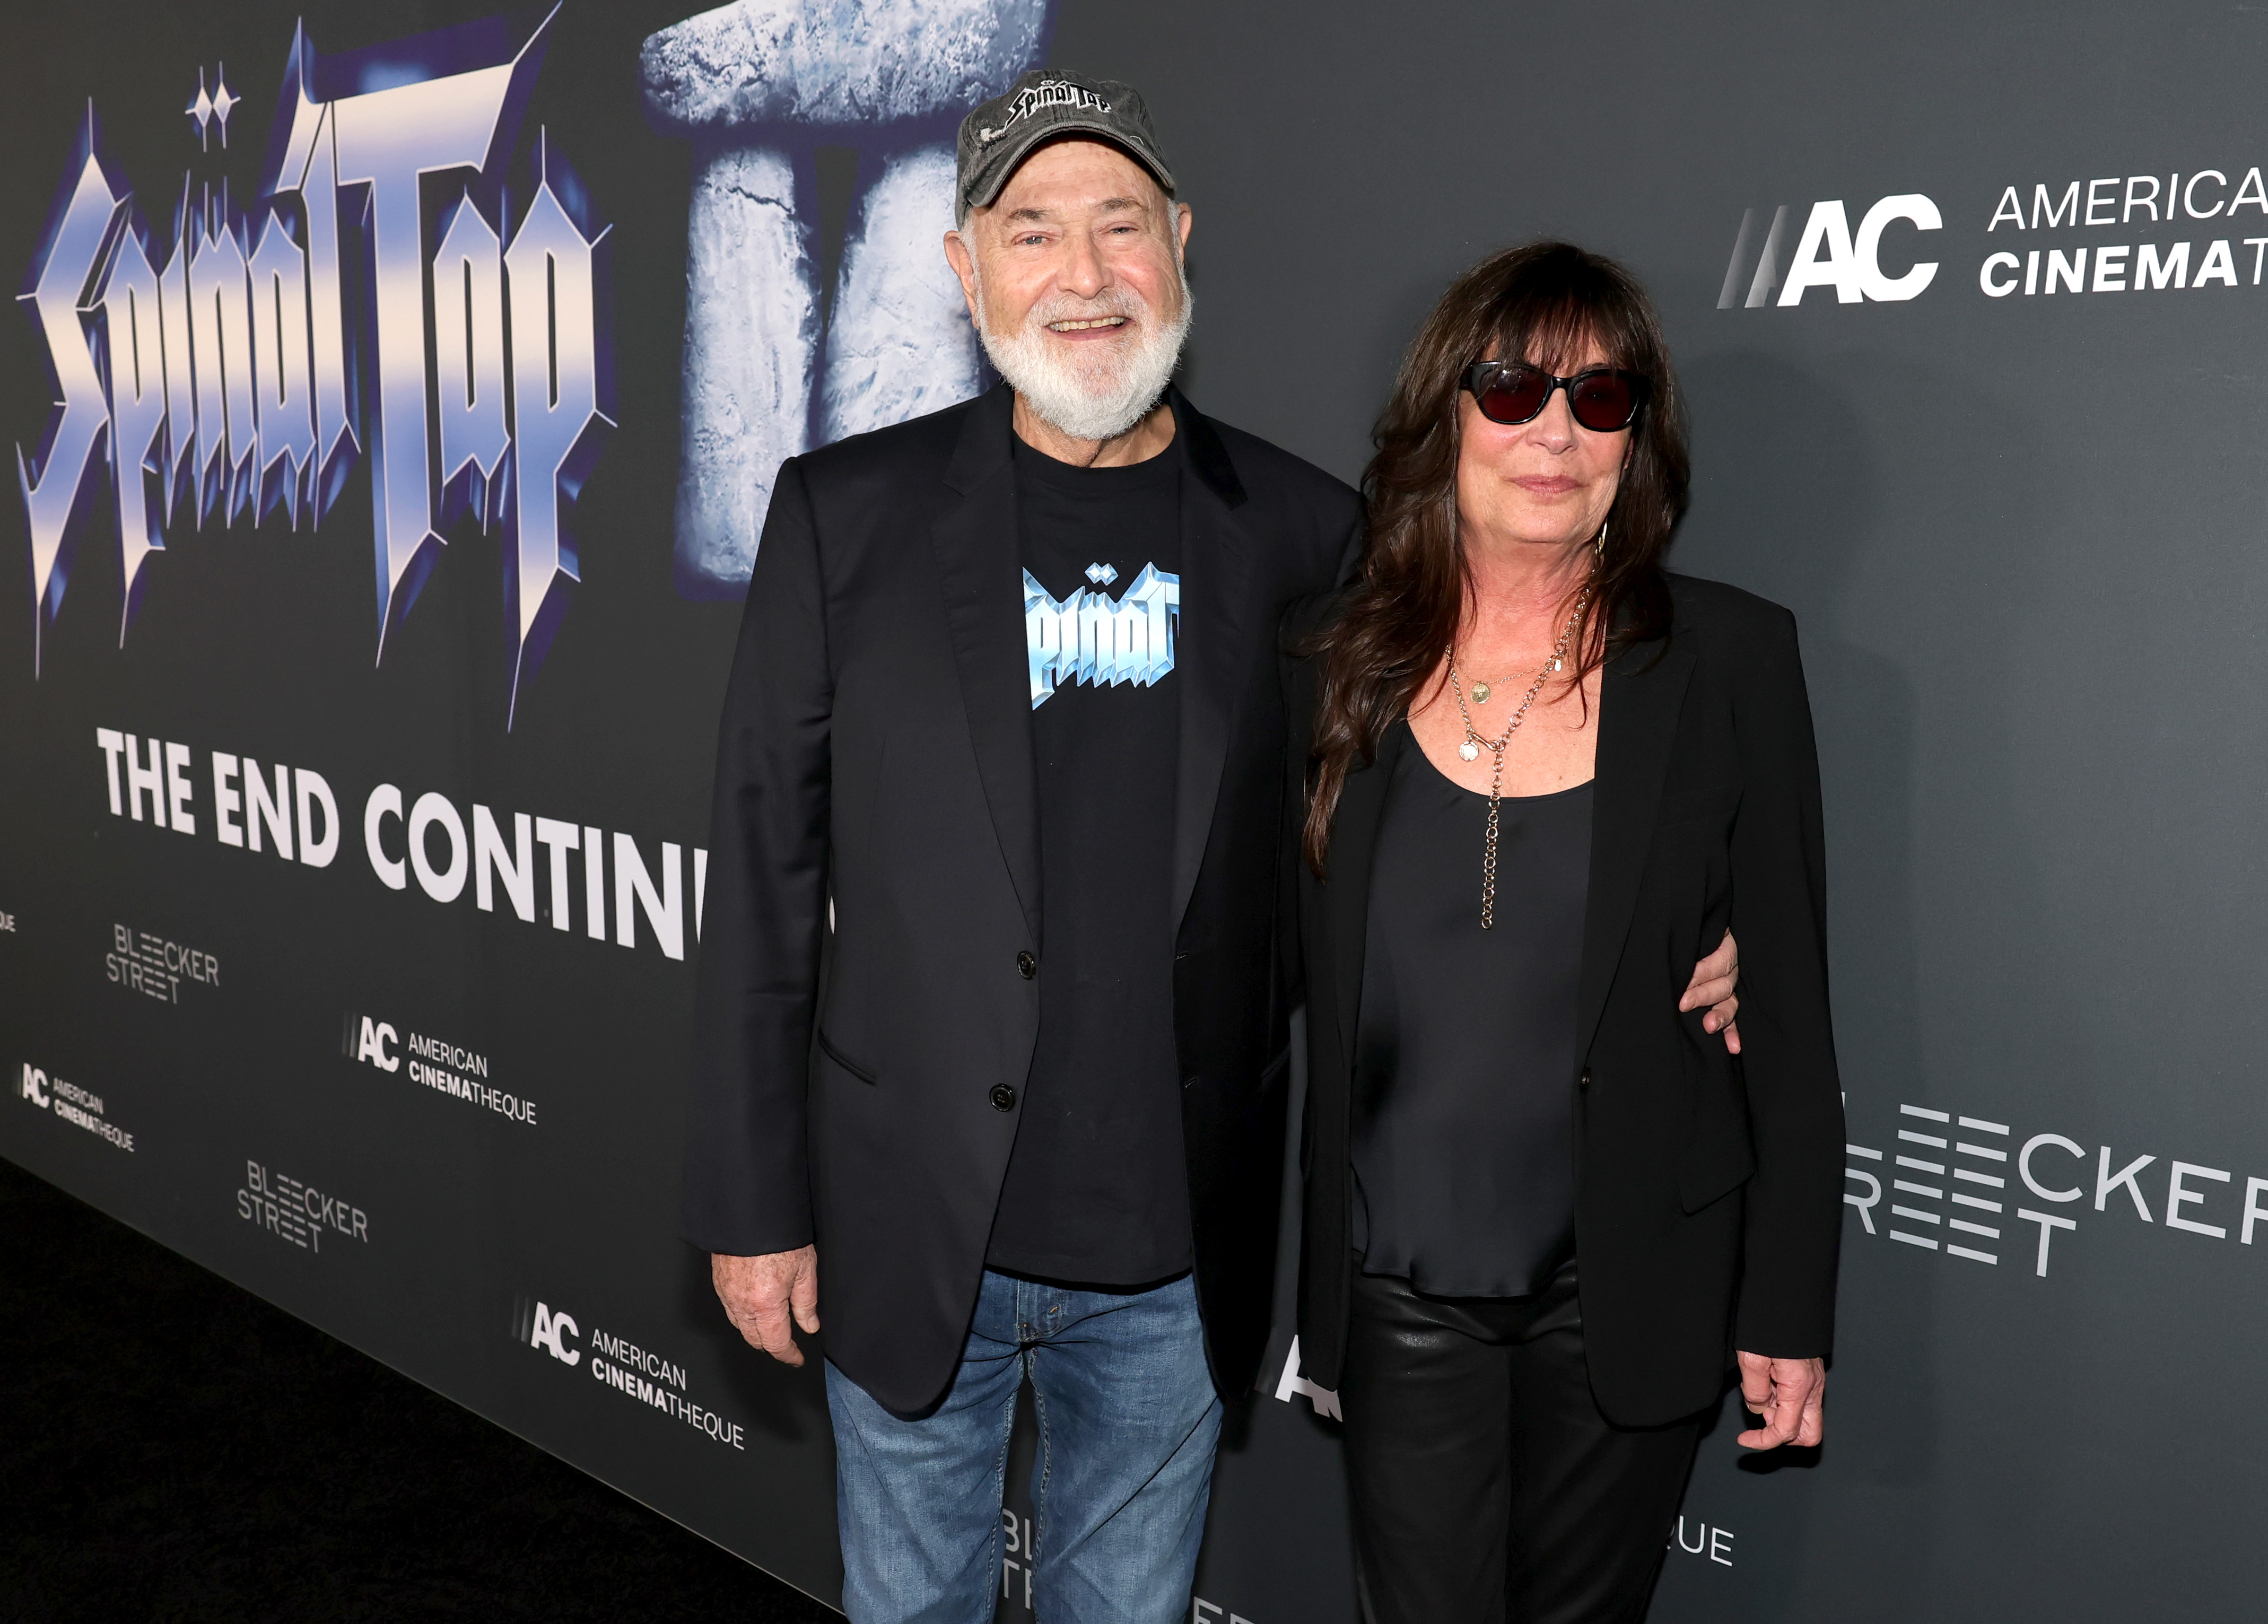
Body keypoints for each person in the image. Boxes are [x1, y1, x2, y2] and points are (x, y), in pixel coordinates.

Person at [684, 70, 1744, 1620]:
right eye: (1032, 231)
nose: (1085, 273)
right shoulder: (846, 518)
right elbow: (761, 881)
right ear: (965, 269)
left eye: (1120, 224)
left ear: (1179, 242)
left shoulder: (1308, 537)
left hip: (1176, 1252)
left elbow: (1434, 828)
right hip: (905, 1220)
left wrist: (1680, 935)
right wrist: (752, 1204)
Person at [1285, 242, 1844, 1624]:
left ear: (1635, 441)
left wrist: (1788, 1307)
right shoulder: (1327, 661)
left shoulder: (1730, 659)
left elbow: (1788, 1016)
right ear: (1446, 413)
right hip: (1398, 1281)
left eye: (1599, 400)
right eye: (1512, 388)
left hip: (1630, 1283)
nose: (1554, 433)